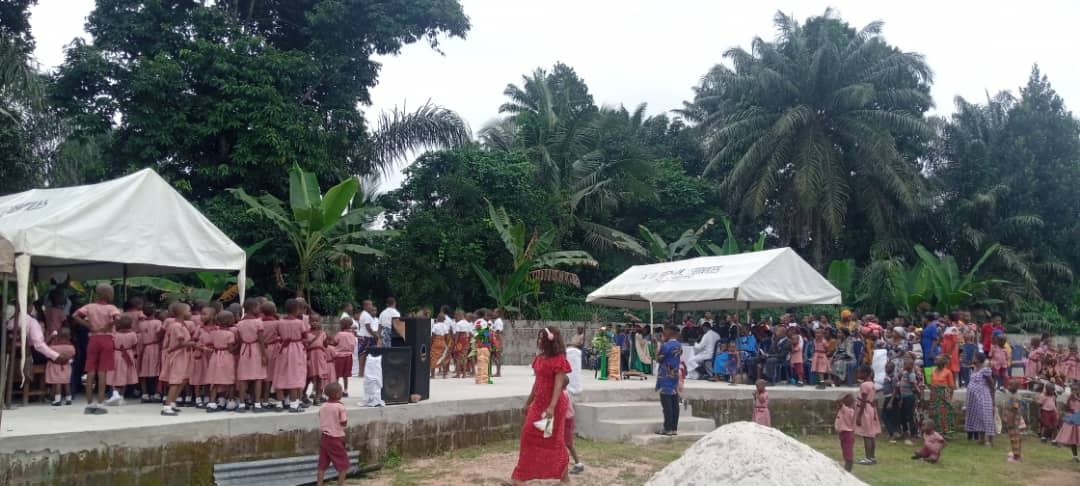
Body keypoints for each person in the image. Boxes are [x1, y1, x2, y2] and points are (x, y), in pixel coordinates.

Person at [509, 326, 572, 485]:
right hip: (538, 405)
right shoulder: (539, 358)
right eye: (538, 337)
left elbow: (558, 385)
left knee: (554, 441)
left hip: (554, 407)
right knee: (527, 435)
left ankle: (564, 477)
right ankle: (520, 475)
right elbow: (537, 383)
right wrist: (527, 403)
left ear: (551, 340)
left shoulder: (559, 359)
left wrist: (551, 407)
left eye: (541, 338)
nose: (538, 341)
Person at [71, 283, 122, 414]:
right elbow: (118, 318)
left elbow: (75, 315)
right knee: (102, 371)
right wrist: (108, 325)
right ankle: (100, 403)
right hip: (106, 339)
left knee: (90, 371)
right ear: (108, 295)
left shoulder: (89, 306)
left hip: (93, 339)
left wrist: (88, 325)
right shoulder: (111, 308)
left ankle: (89, 403)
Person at [275, 299, 309, 412]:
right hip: (296, 349)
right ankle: (294, 405)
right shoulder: (299, 323)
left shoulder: (280, 322)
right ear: (296, 309)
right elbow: (306, 337)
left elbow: (278, 335)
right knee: (295, 376)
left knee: (281, 374)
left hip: (283, 349)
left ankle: (279, 404)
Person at [160, 302, 193, 416]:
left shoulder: (182, 325)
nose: (190, 313)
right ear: (182, 313)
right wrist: (193, 344)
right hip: (177, 356)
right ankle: (167, 406)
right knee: (175, 381)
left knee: (183, 380)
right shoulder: (176, 326)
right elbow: (181, 343)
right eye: (189, 311)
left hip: (183, 355)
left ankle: (173, 402)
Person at [235, 299, 267, 412]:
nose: (259, 309)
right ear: (253, 308)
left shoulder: (239, 323)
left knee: (243, 378)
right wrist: (264, 355)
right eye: (258, 307)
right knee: (258, 378)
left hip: (244, 350)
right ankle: (257, 404)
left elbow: (239, 341)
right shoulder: (258, 322)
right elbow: (261, 340)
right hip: (256, 350)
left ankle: (241, 404)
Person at [317, 382, 350, 486]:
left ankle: (319, 483)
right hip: (335, 438)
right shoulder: (340, 407)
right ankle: (340, 484)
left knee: (322, 464)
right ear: (336, 394)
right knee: (343, 464)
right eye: (341, 391)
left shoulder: (323, 406)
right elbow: (344, 422)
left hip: (324, 438)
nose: (342, 393)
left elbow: (320, 416)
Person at [205, 311, 238, 412]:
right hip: (226, 357)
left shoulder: (214, 332)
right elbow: (231, 349)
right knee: (230, 379)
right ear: (229, 321)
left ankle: (212, 402)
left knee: (215, 380)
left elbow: (210, 344)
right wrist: (238, 344)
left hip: (215, 356)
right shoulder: (230, 334)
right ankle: (230, 401)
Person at [105, 315, 138, 406]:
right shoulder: (133, 334)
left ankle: (115, 392)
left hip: (116, 355)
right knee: (125, 375)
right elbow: (135, 344)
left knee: (114, 374)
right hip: (128, 355)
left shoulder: (114, 334)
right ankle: (121, 396)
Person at [964, 352, 995, 446]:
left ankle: (989, 441)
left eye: (974, 357)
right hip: (974, 399)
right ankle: (982, 439)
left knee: (987, 417)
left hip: (983, 396)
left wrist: (993, 398)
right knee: (979, 417)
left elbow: (991, 384)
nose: (972, 358)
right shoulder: (974, 369)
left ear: (978, 359)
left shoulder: (985, 370)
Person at [656, 325, 682, 435]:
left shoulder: (666, 346)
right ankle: (674, 428)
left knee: (666, 404)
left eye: (665, 331)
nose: (663, 333)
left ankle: (668, 428)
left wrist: (659, 345)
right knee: (674, 402)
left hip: (665, 376)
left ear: (669, 332)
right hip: (674, 375)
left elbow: (658, 358)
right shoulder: (679, 345)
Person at [854, 365, 880, 465]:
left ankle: (868, 458)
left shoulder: (864, 385)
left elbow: (863, 401)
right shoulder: (871, 384)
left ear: (865, 373)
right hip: (871, 409)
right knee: (871, 434)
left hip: (865, 410)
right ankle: (872, 457)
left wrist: (859, 416)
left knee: (866, 435)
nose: (858, 374)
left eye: (860, 372)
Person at [137, 306, 164, 403]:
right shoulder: (158, 322)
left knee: (143, 371)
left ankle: (144, 393)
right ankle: (157, 393)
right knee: (157, 370)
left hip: (144, 348)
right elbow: (158, 334)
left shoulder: (141, 323)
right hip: (155, 347)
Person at [306, 316, 333, 405]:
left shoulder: (323, 333)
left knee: (319, 377)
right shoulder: (306, 333)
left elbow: (325, 345)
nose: (314, 323)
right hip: (310, 357)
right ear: (309, 322)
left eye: (317, 321)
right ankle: (303, 395)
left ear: (320, 322)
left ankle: (317, 397)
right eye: (312, 321)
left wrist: (327, 338)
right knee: (307, 377)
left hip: (320, 357)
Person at [47, 327, 76, 406]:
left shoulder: (54, 347)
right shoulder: (71, 347)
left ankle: (57, 400)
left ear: (58, 336)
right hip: (67, 366)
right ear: (69, 336)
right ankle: (68, 399)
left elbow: (47, 351)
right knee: (67, 383)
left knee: (58, 382)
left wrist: (51, 338)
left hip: (56, 366)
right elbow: (73, 354)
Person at [928, 355, 955, 435]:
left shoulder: (948, 372)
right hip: (934, 395)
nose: (935, 361)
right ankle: (937, 431)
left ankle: (946, 431)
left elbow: (951, 387)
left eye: (937, 359)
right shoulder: (933, 371)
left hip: (944, 395)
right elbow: (931, 383)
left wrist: (949, 398)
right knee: (935, 412)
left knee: (944, 413)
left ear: (942, 362)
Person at [1054, 382, 1080, 463]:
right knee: (1073, 439)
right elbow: (1065, 408)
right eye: (1072, 389)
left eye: (1076, 389)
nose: (1074, 391)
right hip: (1072, 419)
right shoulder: (1069, 398)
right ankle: (1075, 457)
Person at [562, 388, 585, 475]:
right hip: (565, 419)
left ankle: (578, 464)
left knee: (568, 443)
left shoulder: (563, 394)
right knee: (566, 443)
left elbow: (562, 409)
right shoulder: (563, 392)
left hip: (567, 420)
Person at [1001, 379, 1024, 462]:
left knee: (1014, 438)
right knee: (1015, 437)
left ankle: (1016, 456)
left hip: (1013, 420)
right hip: (1011, 419)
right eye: (1008, 385)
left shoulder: (1016, 397)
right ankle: (1016, 453)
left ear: (1016, 387)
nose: (1008, 387)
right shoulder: (1011, 395)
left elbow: (1014, 410)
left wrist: (1011, 421)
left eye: (1011, 385)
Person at [835, 393, 856, 471]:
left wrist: (841, 397)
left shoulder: (847, 410)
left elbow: (838, 401)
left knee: (848, 452)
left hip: (847, 433)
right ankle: (847, 464)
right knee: (845, 450)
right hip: (843, 433)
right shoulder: (843, 410)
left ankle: (848, 467)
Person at [491, 308, 505, 377]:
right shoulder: (496, 321)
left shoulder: (498, 321)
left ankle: (498, 372)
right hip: (496, 340)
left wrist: (495, 340)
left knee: (497, 356)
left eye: (495, 312)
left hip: (497, 341)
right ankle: (497, 372)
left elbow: (498, 332)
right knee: (494, 356)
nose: (493, 313)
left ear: (498, 314)